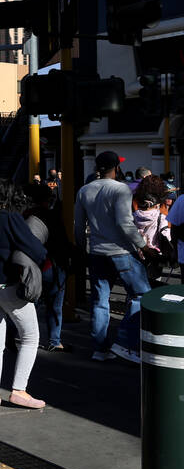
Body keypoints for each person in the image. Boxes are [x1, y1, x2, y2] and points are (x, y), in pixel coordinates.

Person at [0, 178, 48, 410]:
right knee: (30, 336)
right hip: (8, 287)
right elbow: (35, 249)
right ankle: (19, 390)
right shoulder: (9, 217)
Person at [75, 151, 149, 363]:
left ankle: (100, 349)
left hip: (97, 251)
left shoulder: (84, 190)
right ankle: (125, 342)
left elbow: (79, 225)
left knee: (99, 301)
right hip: (122, 251)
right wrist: (143, 246)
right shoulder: (121, 189)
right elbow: (124, 223)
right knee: (141, 295)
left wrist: (82, 249)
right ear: (116, 167)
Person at [25, 183, 72, 352]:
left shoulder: (25, 216)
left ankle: (19, 332)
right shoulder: (53, 217)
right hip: (54, 264)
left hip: (32, 266)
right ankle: (54, 340)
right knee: (55, 304)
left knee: (31, 302)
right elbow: (62, 243)